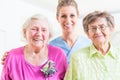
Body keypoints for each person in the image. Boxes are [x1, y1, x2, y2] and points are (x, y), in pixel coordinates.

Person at [1, 14, 68, 80]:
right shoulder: (13, 56)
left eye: (44, 30)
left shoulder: (58, 55)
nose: (39, 34)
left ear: (49, 35)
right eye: (34, 29)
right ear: (24, 32)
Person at [64, 11, 120, 80]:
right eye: (93, 28)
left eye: (102, 27)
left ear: (111, 29)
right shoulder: (77, 58)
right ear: (87, 33)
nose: (97, 32)